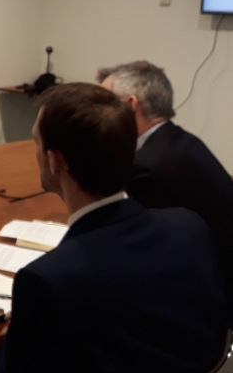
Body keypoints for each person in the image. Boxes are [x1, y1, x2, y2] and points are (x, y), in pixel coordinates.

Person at [0, 83, 228, 373]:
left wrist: (12, 339)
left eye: (36, 142)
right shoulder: (188, 226)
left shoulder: (49, 280)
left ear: (54, 161)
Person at [98, 61, 233, 299]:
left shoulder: (145, 167)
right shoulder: (183, 141)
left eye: (105, 104)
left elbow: (132, 251)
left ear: (130, 105)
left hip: (205, 295)